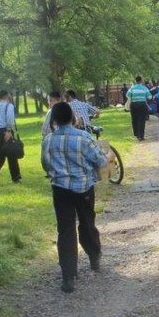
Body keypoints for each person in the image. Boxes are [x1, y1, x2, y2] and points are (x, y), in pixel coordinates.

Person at [41, 101, 109, 293]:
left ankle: (68, 276)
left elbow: (45, 165)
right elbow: (101, 160)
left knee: (65, 230)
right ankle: (94, 256)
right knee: (87, 222)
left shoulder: (48, 140)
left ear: (54, 119)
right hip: (84, 188)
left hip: (60, 189)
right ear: (72, 117)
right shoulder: (84, 138)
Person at [0, 90, 21, 184]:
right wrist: (8, 130)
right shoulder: (9, 105)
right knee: (11, 154)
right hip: (5, 131)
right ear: (7, 96)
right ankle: (16, 177)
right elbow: (10, 118)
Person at [125, 75, 151, 141]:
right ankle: (141, 136)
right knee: (142, 120)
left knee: (134, 120)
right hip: (142, 105)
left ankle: (137, 134)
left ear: (136, 81)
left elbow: (127, 95)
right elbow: (149, 97)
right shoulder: (144, 88)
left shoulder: (132, 88)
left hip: (134, 105)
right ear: (141, 81)